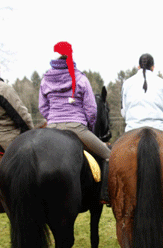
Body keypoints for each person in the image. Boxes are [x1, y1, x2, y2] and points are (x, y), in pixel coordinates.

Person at [39, 41, 111, 202]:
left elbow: (42, 106)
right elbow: (91, 110)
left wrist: (52, 119)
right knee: (109, 155)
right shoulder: (80, 79)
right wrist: (88, 127)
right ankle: (105, 195)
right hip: (76, 127)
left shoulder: (45, 80)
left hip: (51, 128)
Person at [121, 53, 163, 132]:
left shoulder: (127, 83)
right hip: (158, 128)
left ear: (138, 67)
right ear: (153, 67)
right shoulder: (162, 83)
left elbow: (124, 113)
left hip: (132, 128)